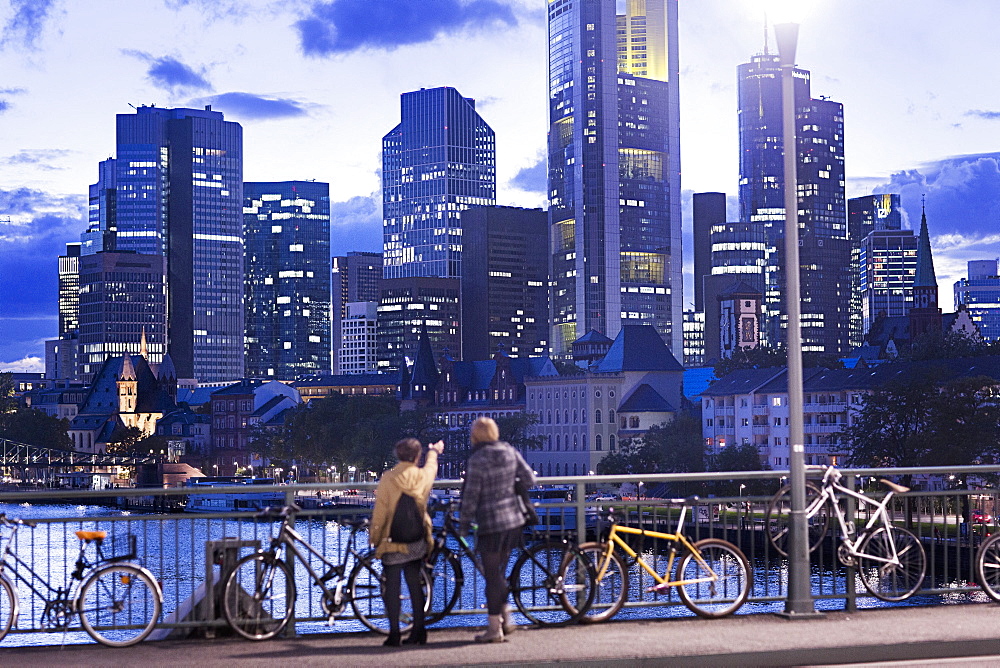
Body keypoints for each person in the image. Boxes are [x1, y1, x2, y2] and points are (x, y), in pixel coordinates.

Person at [459, 416, 536, 643]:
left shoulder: (478, 459)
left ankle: (495, 629)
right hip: (513, 521)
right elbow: (530, 479)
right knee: (498, 574)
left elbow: (471, 497)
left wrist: (464, 523)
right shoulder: (509, 451)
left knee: (492, 577)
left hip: (490, 524)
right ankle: (506, 617)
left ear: (475, 436)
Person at [370, 437, 444, 647]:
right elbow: (431, 468)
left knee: (391, 587)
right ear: (416, 456)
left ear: (397, 455)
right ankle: (419, 631)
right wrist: (434, 452)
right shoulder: (421, 477)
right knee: (415, 584)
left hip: (392, 540)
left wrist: (376, 539)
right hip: (416, 539)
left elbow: (380, 513)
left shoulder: (388, 478)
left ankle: (395, 634)